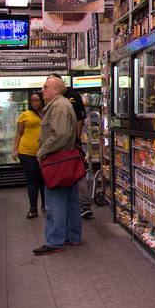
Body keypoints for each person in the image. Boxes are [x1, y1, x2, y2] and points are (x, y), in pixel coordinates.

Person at [34, 75, 82, 256]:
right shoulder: (59, 105)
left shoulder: (59, 106)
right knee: (70, 200)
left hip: (57, 161)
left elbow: (60, 135)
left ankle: (55, 240)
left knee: (55, 202)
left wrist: (42, 151)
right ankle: (72, 235)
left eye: (46, 87)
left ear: (56, 90)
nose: (42, 90)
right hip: (66, 159)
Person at [12, 91, 45, 218]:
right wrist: (15, 150)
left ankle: (45, 204)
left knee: (44, 179)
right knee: (32, 180)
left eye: (37, 100)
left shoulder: (48, 113)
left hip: (44, 152)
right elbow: (19, 133)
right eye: (32, 101)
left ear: (42, 101)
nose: (35, 103)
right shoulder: (25, 115)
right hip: (26, 152)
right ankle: (33, 208)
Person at [62, 85, 92, 219]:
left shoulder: (65, 99)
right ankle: (83, 205)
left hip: (68, 145)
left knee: (76, 173)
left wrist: (76, 139)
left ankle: (80, 205)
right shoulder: (71, 97)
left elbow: (79, 119)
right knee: (79, 173)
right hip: (72, 142)